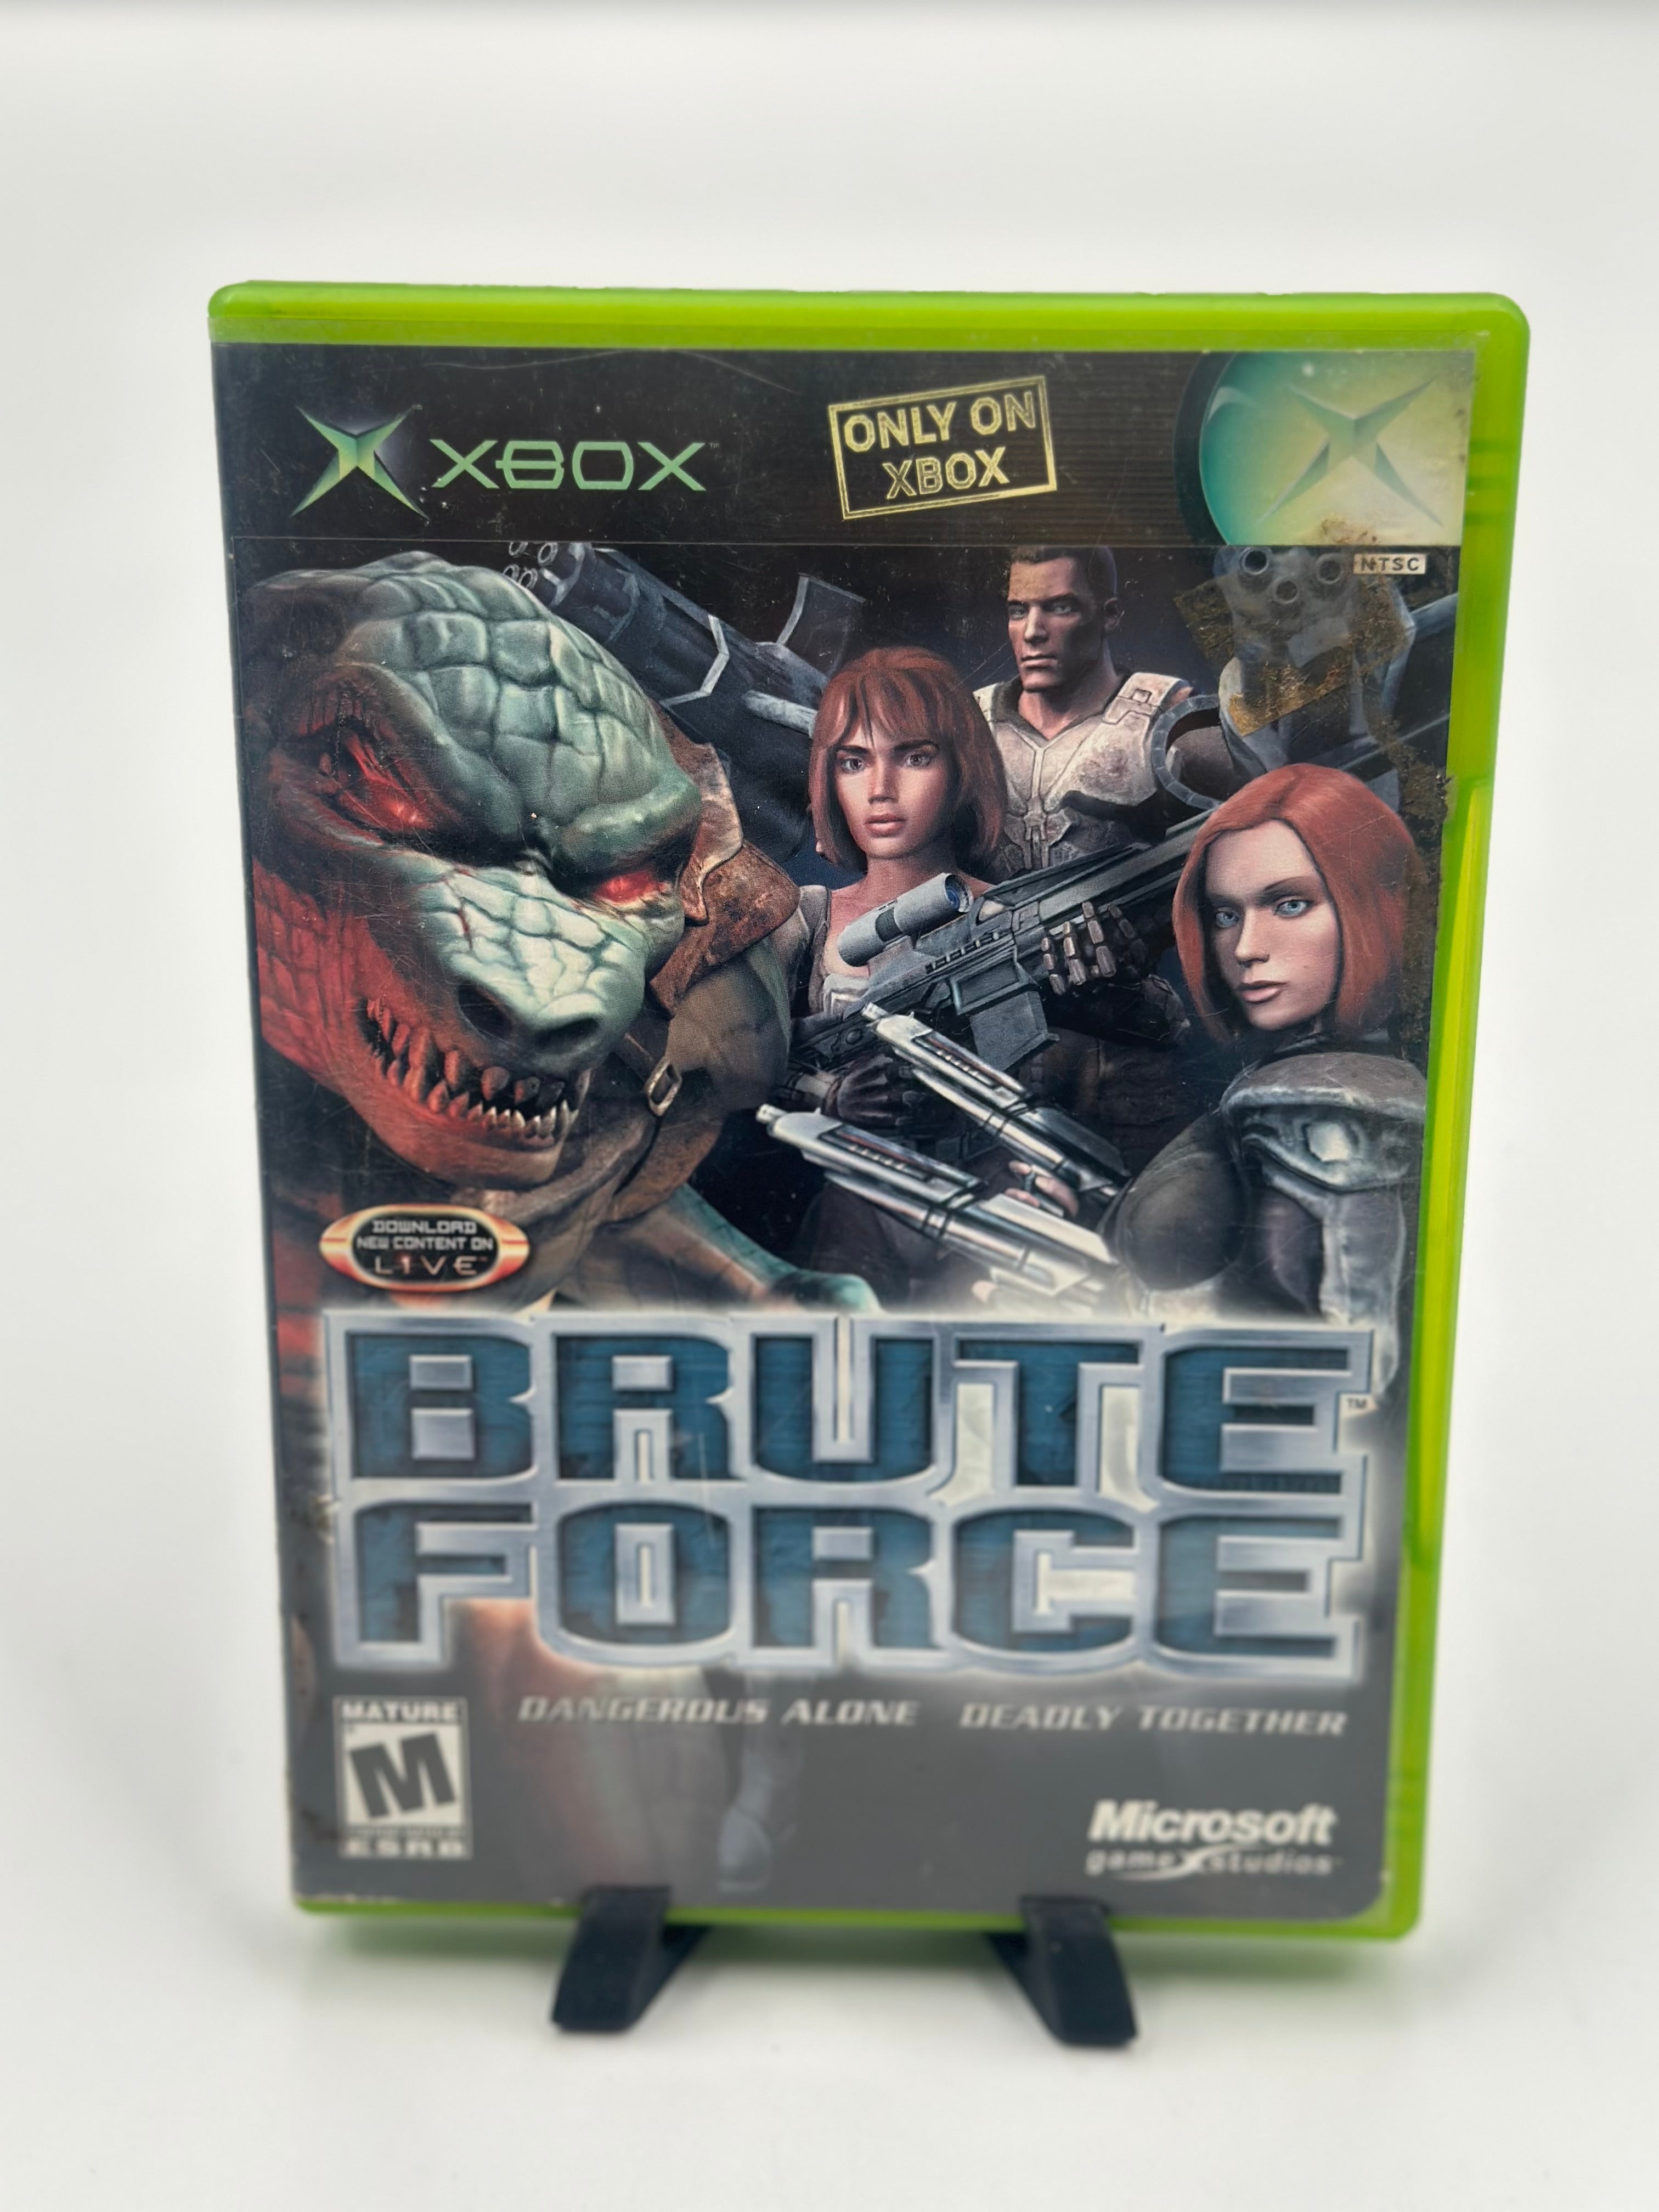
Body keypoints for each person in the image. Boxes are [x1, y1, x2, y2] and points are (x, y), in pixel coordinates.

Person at [1108, 763, 1427, 1390]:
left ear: (1370, 903)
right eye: (1226, 915)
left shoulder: (1332, 1102)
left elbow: (1360, 1358)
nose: (1247, 947)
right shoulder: (1271, 1082)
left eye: (1290, 904)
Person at [785, 645, 1005, 1303]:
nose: (880, 789)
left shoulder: (1012, 916)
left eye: (913, 757)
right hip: (853, 1205)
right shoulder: (806, 917)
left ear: (962, 767)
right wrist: (825, 1093)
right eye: (854, 761)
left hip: (990, 1210)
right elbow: (740, 1057)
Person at [977, 545, 1247, 878]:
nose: (1032, 632)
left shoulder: (1171, 714)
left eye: (1060, 607)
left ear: (1110, 615)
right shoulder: (971, 719)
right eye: (1019, 611)